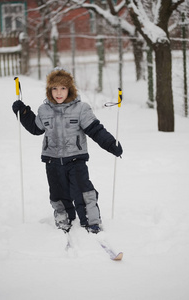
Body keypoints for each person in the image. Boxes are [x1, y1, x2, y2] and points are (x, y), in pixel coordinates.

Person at [12, 67, 123, 234]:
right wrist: (23, 112)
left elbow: (95, 129)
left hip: (76, 160)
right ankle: (63, 216)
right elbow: (36, 129)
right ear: (49, 90)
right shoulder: (44, 110)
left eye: (63, 88)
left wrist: (110, 143)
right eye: (54, 88)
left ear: (69, 89)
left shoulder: (81, 109)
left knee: (83, 190)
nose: (58, 93)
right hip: (52, 160)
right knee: (58, 192)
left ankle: (91, 221)